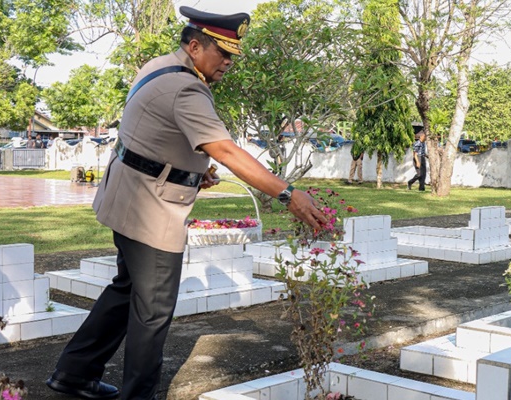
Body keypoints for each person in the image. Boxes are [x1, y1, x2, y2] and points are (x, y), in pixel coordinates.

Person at [46, 7, 326, 400]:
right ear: (194, 46)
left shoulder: (160, 66)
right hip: (151, 211)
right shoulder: (187, 88)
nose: (229, 63)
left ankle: (73, 375)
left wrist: (193, 170)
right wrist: (287, 193)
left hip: (126, 196)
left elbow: (150, 131)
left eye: (232, 55)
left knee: (125, 290)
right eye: (222, 54)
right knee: (153, 312)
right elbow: (227, 151)